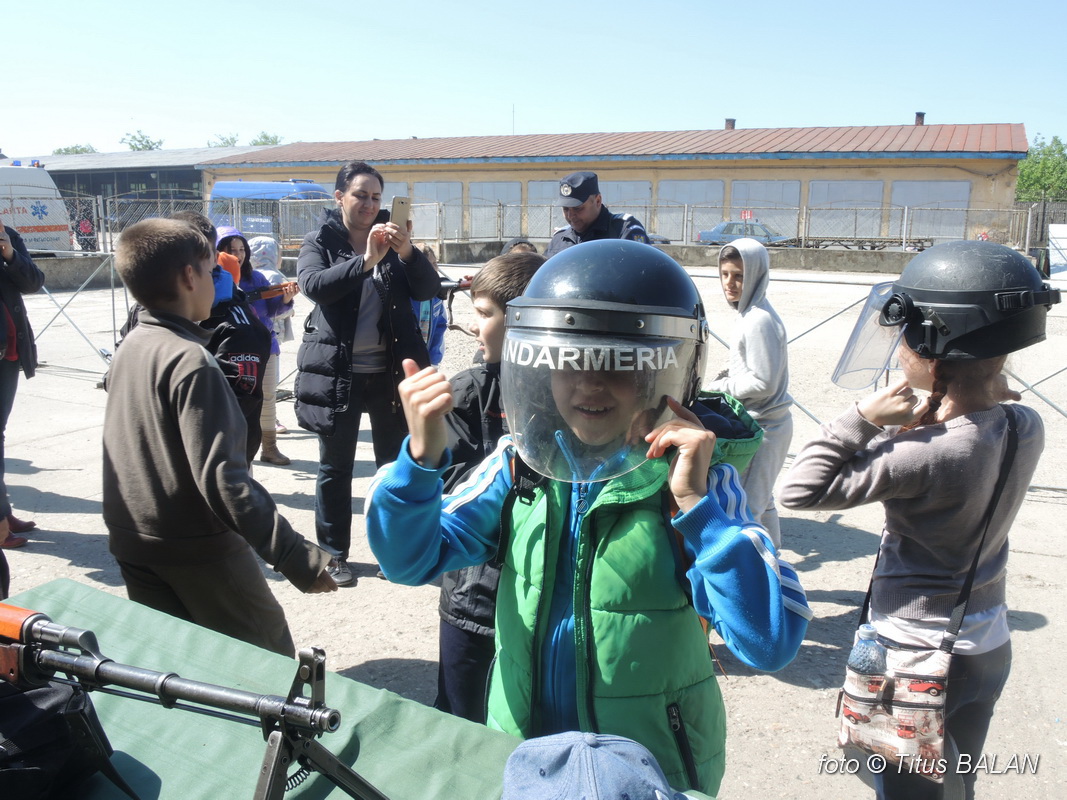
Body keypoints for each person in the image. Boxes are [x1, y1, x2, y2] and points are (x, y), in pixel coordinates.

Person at [366, 240, 811, 794]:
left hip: (648, 775)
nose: (589, 383)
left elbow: (769, 642)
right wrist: (418, 463)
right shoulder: (520, 468)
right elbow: (409, 560)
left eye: (617, 364)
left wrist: (700, 510)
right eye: (569, 361)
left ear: (668, 373)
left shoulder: (701, 485)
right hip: (526, 760)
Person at [779, 241, 1061, 800]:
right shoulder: (1025, 426)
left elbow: (799, 489)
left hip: (914, 655)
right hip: (986, 641)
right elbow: (981, 418)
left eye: (904, 336)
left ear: (932, 350)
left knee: (908, 790)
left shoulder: (916, 456)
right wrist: (963, 397)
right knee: (956, 781)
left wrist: (862, 418)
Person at [103, 218, 336, 656]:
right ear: (189, 277)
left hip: (134, 540)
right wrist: (295, 556)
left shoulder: (132, 345)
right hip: (196, 545)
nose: (221, 280)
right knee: (267, 663)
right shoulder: (190, 361)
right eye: (214, 270)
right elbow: (223, 479)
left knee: (179, 666)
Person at [295, 161, 441, 588]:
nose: (370, 204)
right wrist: (365, 261)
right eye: (361, 195)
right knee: (335, 468)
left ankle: (390, 553)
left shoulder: (394, 240)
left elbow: (428, 289)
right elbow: (314, 286)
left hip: (389, 375)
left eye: (376, 197)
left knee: (391, 468)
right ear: (340, 197)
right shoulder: (319, 241)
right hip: (338, 372)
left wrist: (407, 252)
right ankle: (334, 554)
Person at [435, 250, 545, 723]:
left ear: (522, 320)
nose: (472, 327)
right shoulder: (468, 393)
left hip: (544, 602)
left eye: (483, 314)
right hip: (474, 602)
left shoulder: (574, 394)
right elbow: (449, 496)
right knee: (462, 723)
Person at [704, 239, 793, 547]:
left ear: (756, 275)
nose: (729, 283)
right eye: (725, 274)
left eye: (739, 275)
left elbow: (764, 383)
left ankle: (758, 572)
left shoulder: (758, 320)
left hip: (766, 425)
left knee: (747, 512)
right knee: (762, 503)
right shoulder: (750, 314)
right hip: (763, 424)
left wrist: (717, 388)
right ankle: (775, 567)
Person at [220, 230, 299, 466]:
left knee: (267, 398)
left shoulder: (257, 279)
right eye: (231, 250)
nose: (238, 255)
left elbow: (273, 310)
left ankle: (269, 448)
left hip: (264, 347)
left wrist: (286, 298)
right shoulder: (213, 281)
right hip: (228, 351)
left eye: (241, 250)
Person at [0, 223, 44, 559]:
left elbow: (33, 282)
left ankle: (3, 511)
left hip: (9, 352)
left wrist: (9, 253)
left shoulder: (8, 235)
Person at [249, 236, 297, 436]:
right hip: (270, 332)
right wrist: (289, 308)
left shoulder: (254, 275)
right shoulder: (274, 276)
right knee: (269, 381)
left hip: (259, 334)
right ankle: (269, 420)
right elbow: (276, 307)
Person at [544, 171, 648, 258]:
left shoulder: (623, 231)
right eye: (565, 209)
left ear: (598, 201)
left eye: (577, 208)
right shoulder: (559, 238)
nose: (570, 216)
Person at [411, 243, 448, 368]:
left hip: (428, 359)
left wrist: (434, 360)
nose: (435, 268)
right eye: (429, 264)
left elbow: (440, 326)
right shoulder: (405, 295)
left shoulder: (436, 294)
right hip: (407, 360)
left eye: (435, 263)